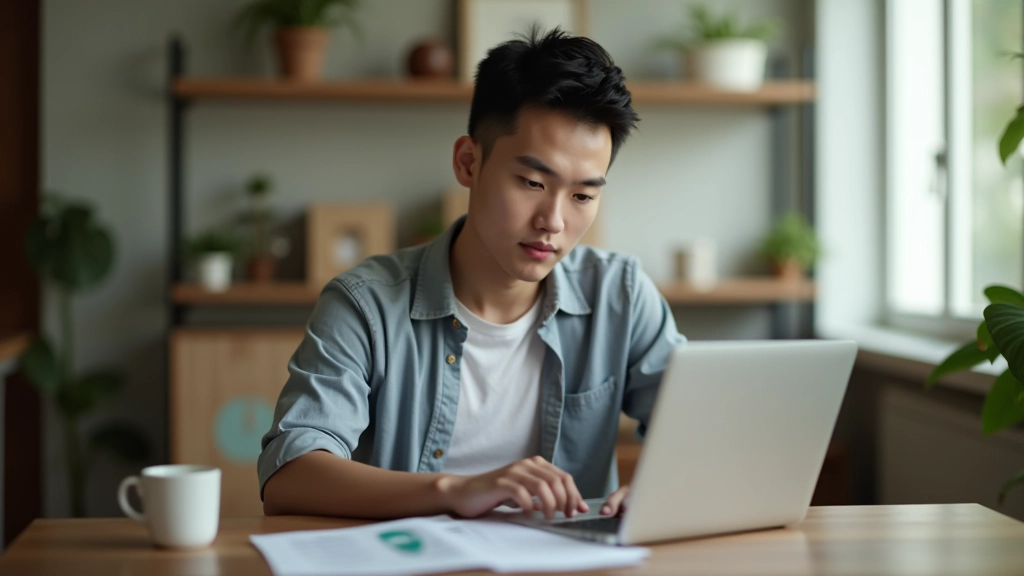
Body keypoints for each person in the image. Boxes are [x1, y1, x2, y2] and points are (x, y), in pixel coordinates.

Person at [259, 27, 686, 521]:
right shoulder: (365, 306)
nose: (554, 220)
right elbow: (290, 475)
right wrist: (453, 490)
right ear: (468, 162)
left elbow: (702, 431)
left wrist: (667, 487)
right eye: (531, 182)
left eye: (583, 196)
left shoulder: (621, 294)